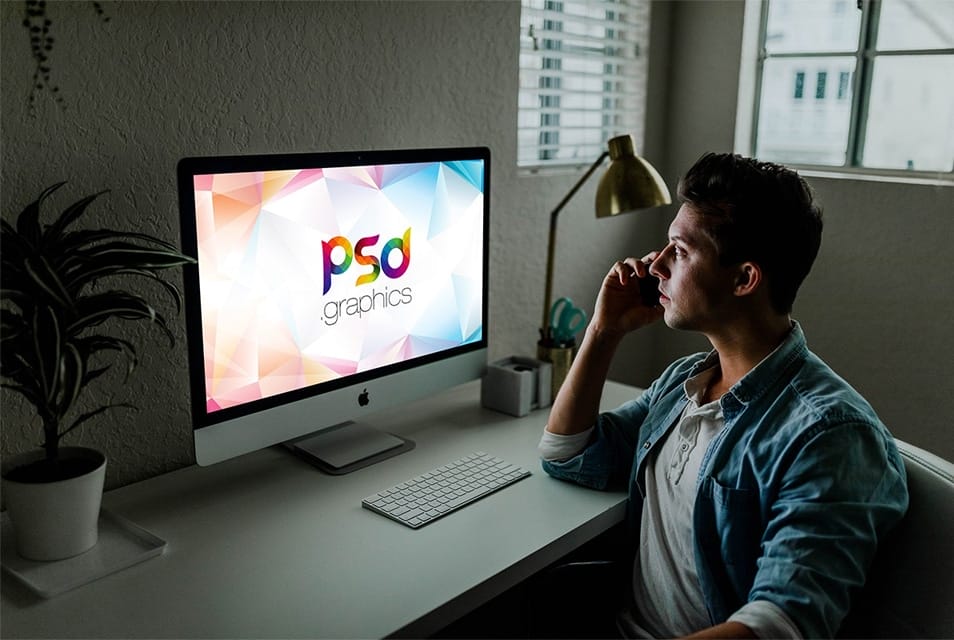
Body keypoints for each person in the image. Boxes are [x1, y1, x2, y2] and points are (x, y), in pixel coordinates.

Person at [538, 152, 909, 639]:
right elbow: (569, 453)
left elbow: (779, 625)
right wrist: (604, 330)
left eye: (681, 251)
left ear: (744, 279)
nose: (656, 266)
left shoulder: (831, 436)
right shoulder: (686, 382)